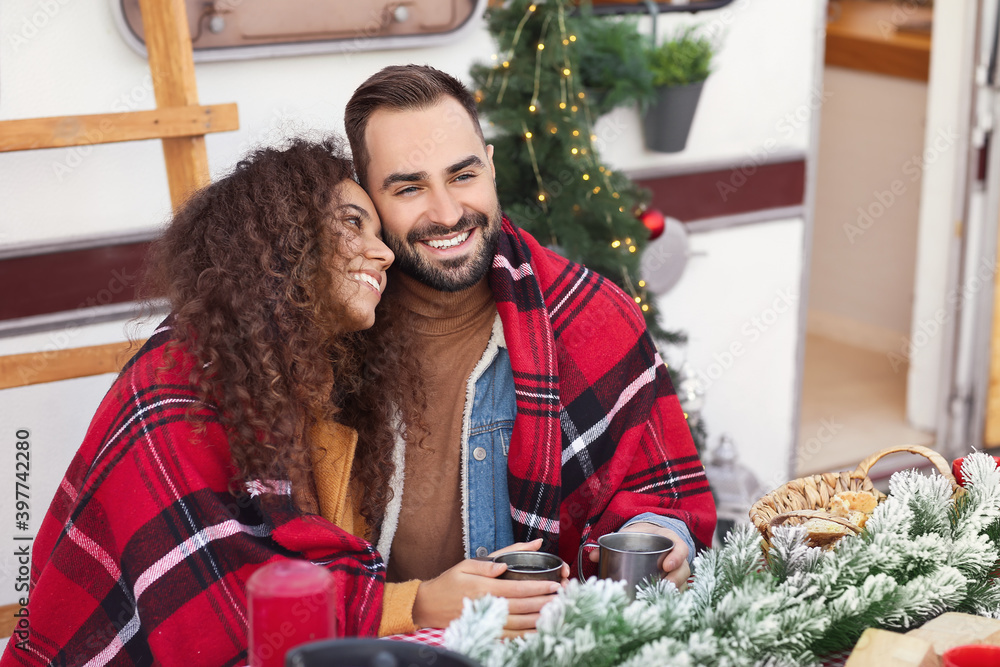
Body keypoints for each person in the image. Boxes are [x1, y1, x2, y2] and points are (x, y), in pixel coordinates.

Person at [1, 138, 549, 667]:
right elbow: (220, 615)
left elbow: (300, 567)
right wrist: (423, 603)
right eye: (353, 223)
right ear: (284, 237)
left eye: (381, 233)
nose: (384, 254)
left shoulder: (296, 382)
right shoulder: (169, 389)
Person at [344, 65, 717, 633]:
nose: (446, 213)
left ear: (491, 166)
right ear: (367, 198)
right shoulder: (325, 332)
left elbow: (656, 494)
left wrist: (662, 540)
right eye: (409, 187)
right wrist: (409, 607)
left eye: (463, 175)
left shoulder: (593, 315)